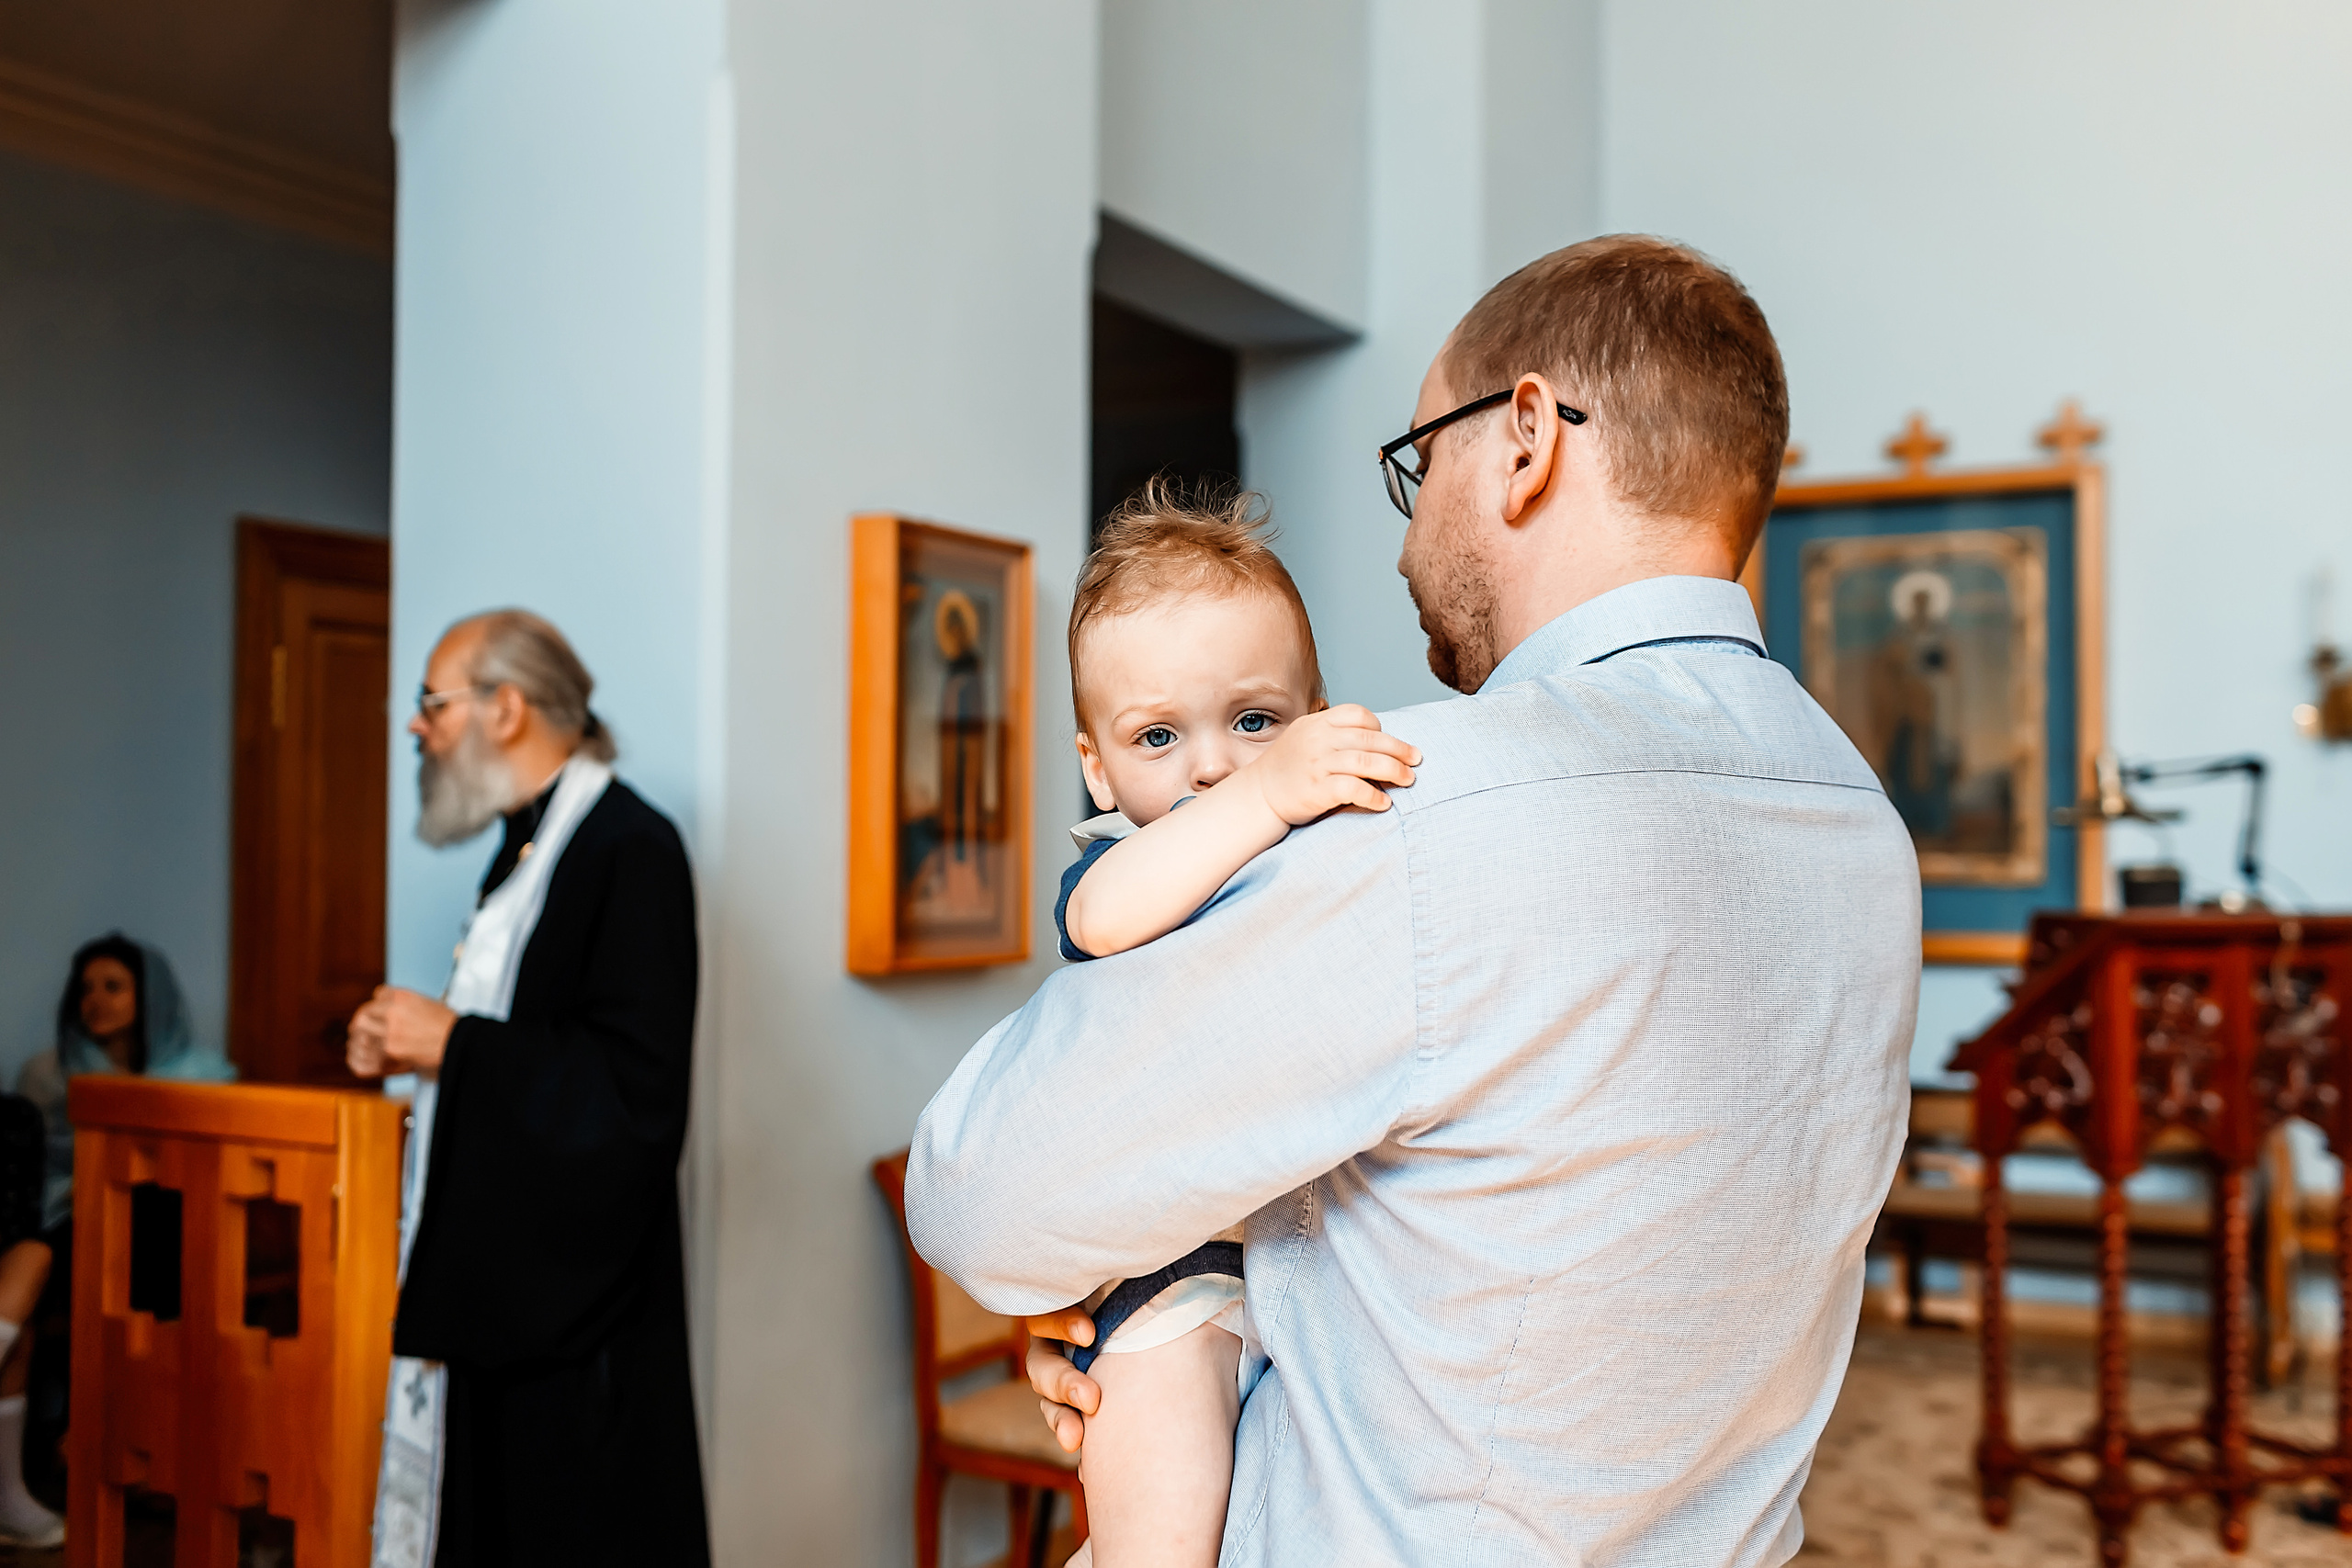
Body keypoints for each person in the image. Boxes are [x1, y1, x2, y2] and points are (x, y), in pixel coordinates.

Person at [907, 235, 1922, 1565]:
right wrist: (1182, 1320)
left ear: (1524, 440)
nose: (1404, 542)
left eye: (1420, 462)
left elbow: (982, 1197)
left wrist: (1099, 1279)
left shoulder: (1425, 809)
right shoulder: (1857, 818)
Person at [1044, 484, 1419, 1567]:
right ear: (1097, 768)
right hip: (1179, 1284)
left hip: (1327, 1268)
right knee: (1161, 1538)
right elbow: (1102, 921)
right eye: (1157, 735)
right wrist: (1262, 797)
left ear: (1316, 716)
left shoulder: (1332, 856)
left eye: (1255, 722)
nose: (1210, 765)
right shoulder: (1123, 868)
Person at [346, 609, 707, 1568]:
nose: (415, 727)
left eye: (431, 703)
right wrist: (423, 1049)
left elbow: (634, 1097)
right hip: (506, 1289)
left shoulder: (628, 847)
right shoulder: (525, 847)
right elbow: (536, 1038)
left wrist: (453, 1043)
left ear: (505, 708)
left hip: (582, 1314)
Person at [16, 934, 235, 1519]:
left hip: (168, 1225)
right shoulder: (49, 1074)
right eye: (86, 989)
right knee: (129, 1227)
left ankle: (143, 1431)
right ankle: (108, 1431)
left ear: (150, 996)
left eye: (113, 987)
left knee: (161, 1219)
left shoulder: (200, 1075)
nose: (96, 1000)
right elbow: (37, 1171)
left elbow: (214, 1166)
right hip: (73, 1218)